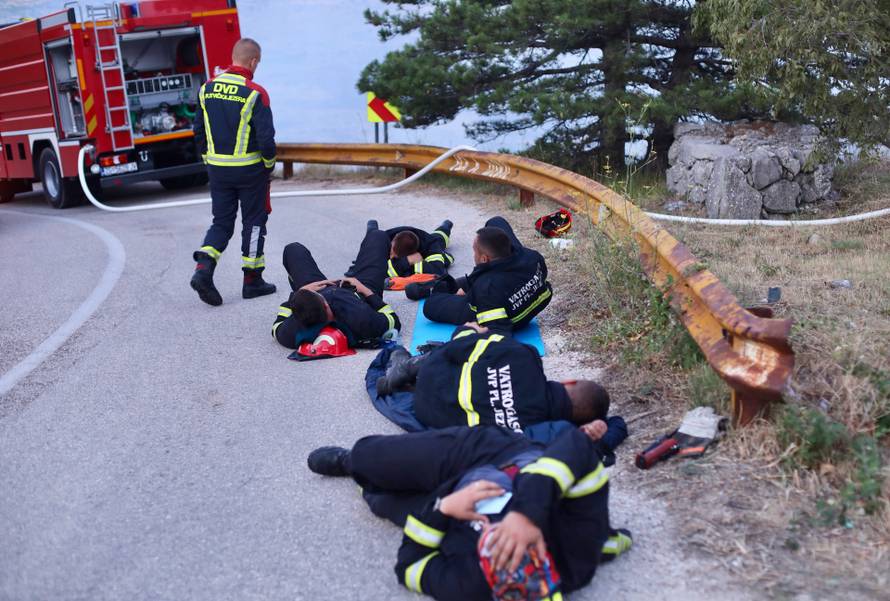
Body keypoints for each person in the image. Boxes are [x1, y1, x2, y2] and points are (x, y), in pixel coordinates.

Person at [307, 425, 632, 600]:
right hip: (493, 456)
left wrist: (443, 507)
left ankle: (362, 481)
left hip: (447, 508)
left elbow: (409, 568)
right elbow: (576, 448)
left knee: (380, 499)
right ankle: (352, 461)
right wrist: (527, 514)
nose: (514, 561)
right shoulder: (576, 550)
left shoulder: (470, 586)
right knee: (372, 459)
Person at [372, 324, 627, 454]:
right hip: (429, 412)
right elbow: (611, 430)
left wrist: (470, 331)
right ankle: (407, 373)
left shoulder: (526, 358)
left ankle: (408, 366)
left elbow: (461, 348)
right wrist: (605, 424)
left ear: (568, 382)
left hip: (432, 373)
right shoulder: (535, 430)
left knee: (468, 341)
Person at [190, 38, 277, 306]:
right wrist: (269, 165)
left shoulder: (206, 89)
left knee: (222, 222)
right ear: (253, 62)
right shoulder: (255, 93)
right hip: (250, 171)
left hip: (218, 170)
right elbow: (266, 139)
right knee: (253, 223)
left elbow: (198, 131)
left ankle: (203, 268)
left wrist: (208, 159)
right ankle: (252, 281)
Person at [410, 216, 552, 333]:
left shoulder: (485, 289)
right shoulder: (532, 256)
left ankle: (432, 288)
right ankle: (442, 286)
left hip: (501, 308)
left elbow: (499, 331)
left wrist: (469, 330)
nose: (473, 254)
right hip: (514, 280)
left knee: (430, 306)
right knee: (496, 221)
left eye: (474, 251)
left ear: (484, 258)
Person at [272, 224, 401, 349]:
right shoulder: (361, 318)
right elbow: (393, 321)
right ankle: (372, 236)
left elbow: (277, 327)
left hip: (318, 290)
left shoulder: (293, 331)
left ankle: (306, 293)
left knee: (293, 249)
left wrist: (302, 292)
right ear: (326, 305)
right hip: (358, 291)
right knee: (377, 236)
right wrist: (367, 292)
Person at [382, 220, 454, 278]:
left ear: (412, 253)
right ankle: (445, 227)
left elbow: (438, 272)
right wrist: (407, 261)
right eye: (391, 253)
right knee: (436, 238)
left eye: (394, 256)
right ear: (393, 240)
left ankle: (445, 227)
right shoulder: (386, 237)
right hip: (421, 238)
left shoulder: (430, 247)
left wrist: (405, 265)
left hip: (430, 243)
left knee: (439, 239)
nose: (391, 257)